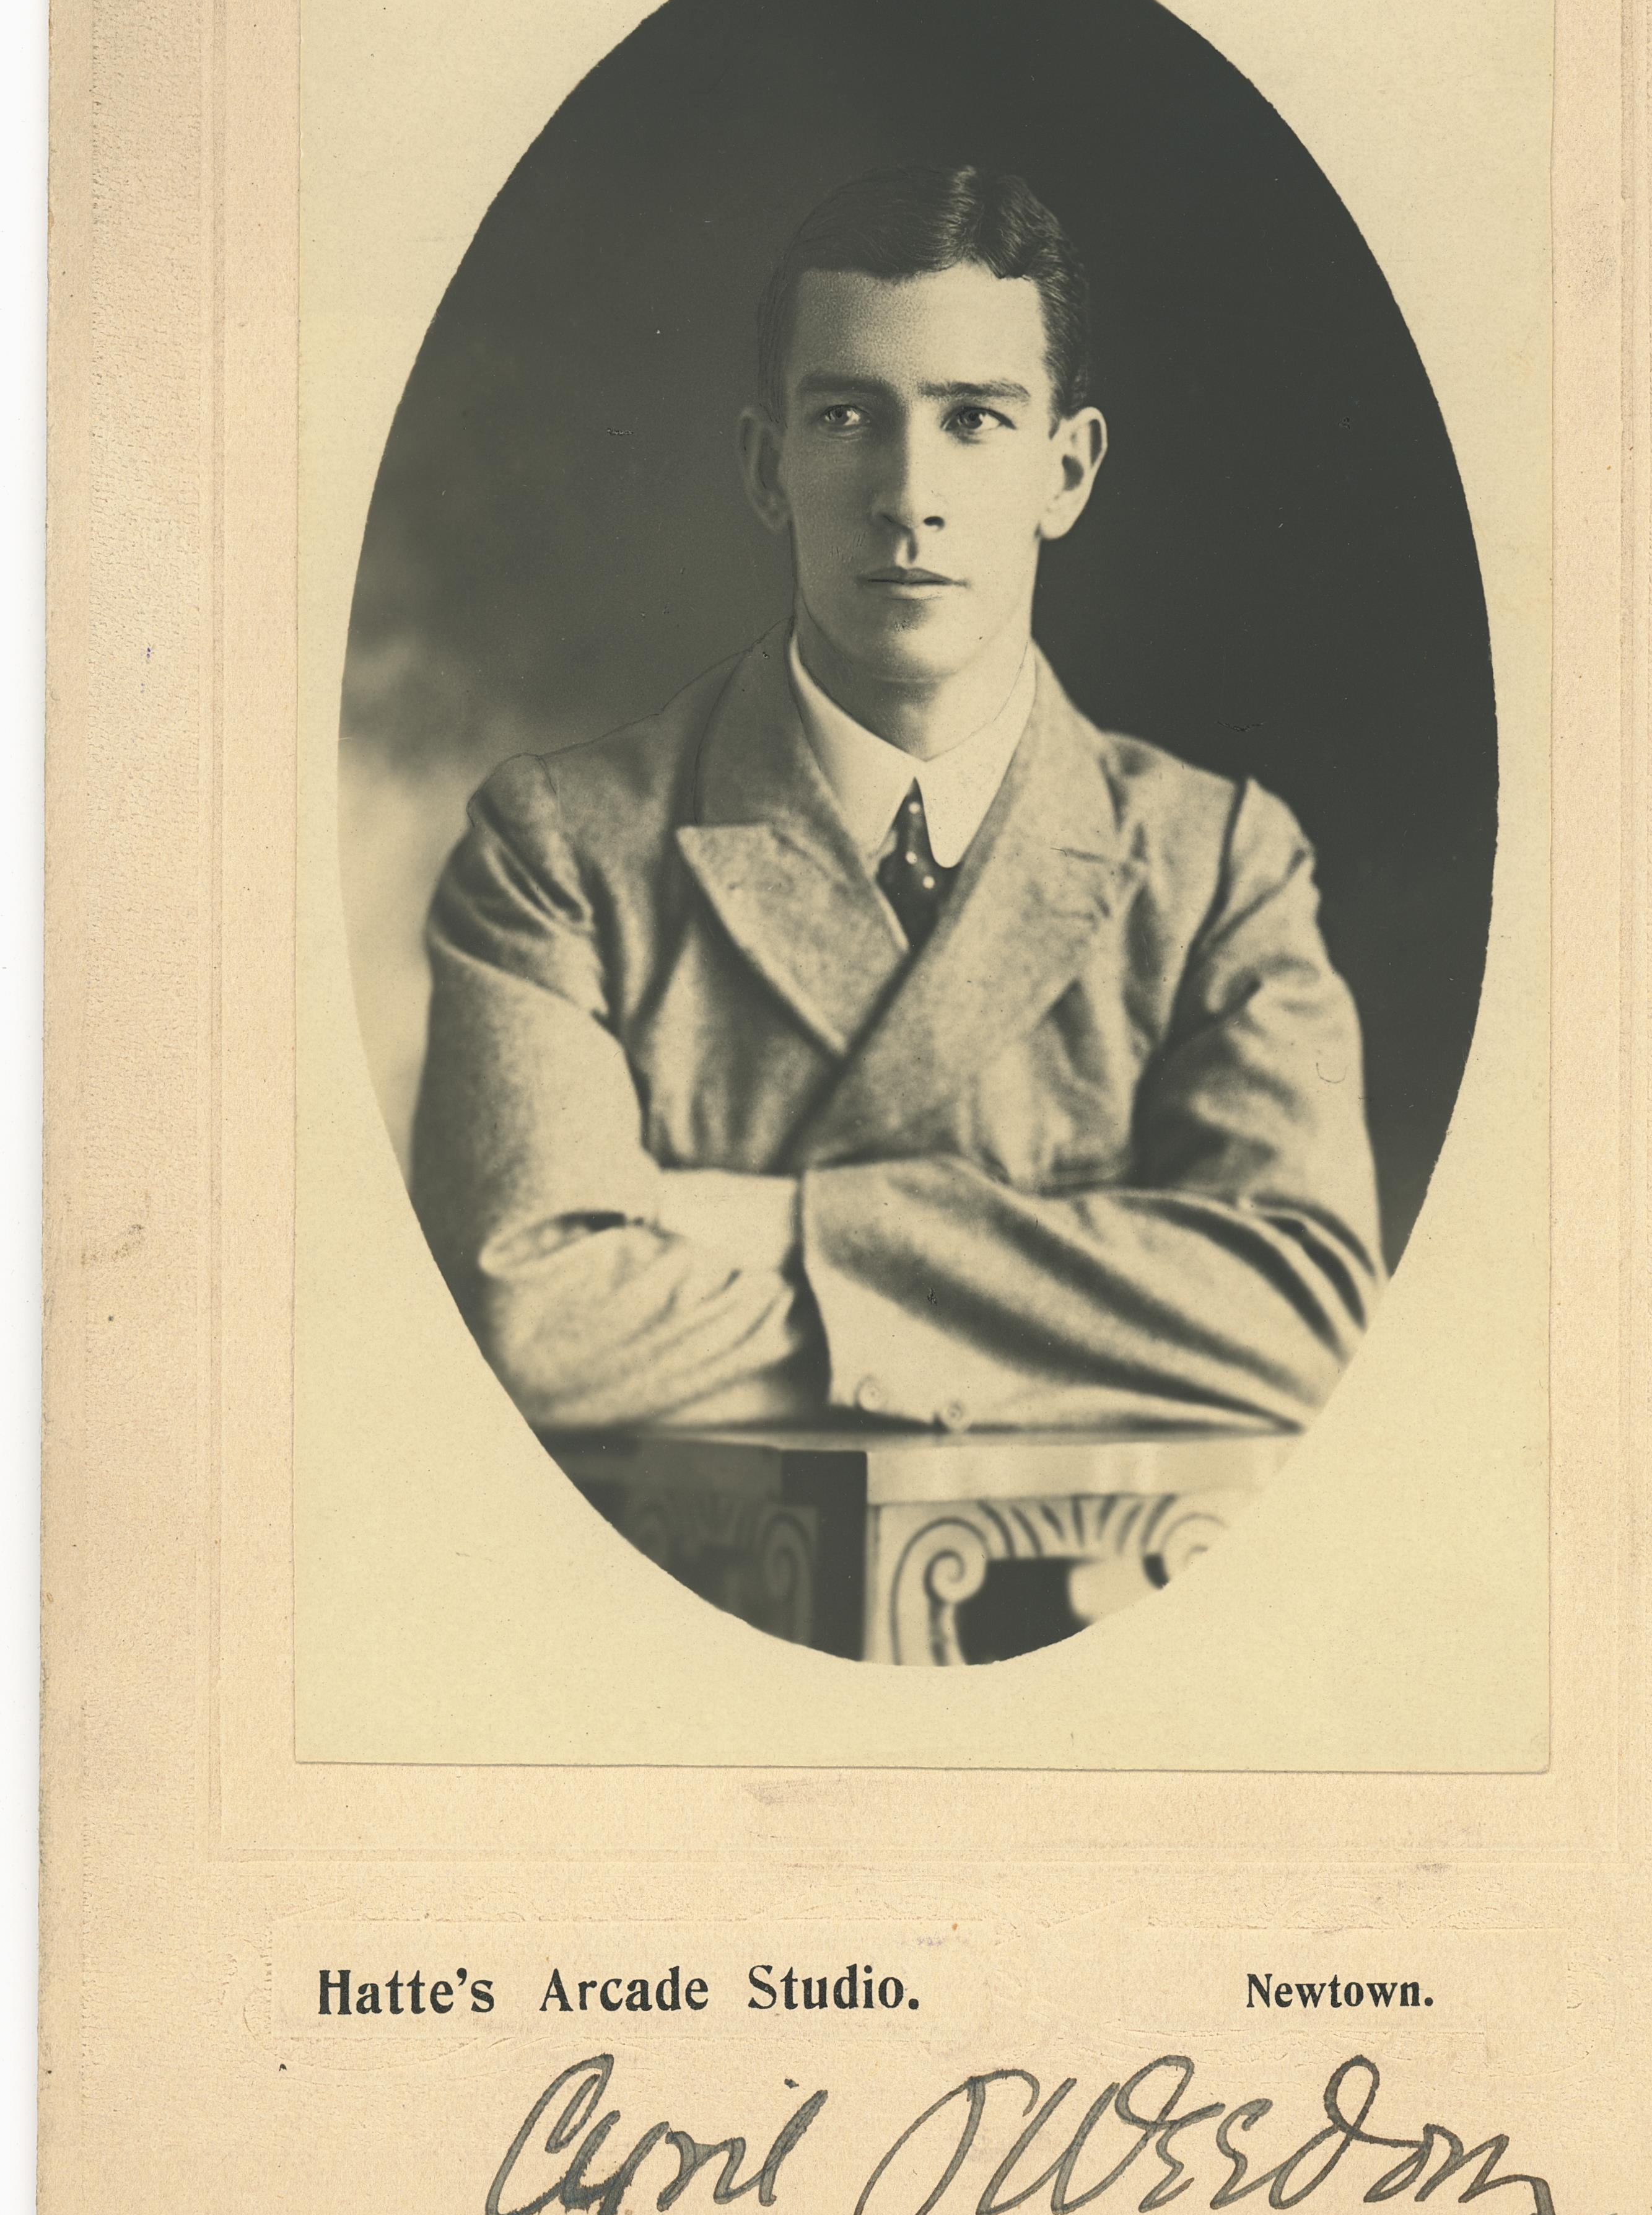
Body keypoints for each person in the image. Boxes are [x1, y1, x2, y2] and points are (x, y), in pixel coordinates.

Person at [411, 165, 1382, 1441]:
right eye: (846, 418)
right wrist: (1091, 1308)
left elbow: (1305, 1318)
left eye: (973, 419)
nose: (907, 495)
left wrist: (786, 1225)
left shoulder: (1216, 867)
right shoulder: (562, 853)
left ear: (1067, 472)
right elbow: (529, 1327)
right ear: (768, 467)